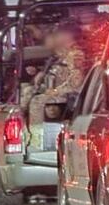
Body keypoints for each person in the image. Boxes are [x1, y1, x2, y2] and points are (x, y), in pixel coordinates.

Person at [26, 22, 87, 151]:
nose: (56, 37)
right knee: (27, 93)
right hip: (60, 92)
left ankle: (37, 140)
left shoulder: (75, 54)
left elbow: (76, 82)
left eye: (59, 34)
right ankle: (29, 135)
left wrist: (55, 91)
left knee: (37, 102)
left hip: (71, 96)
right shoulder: (61, 54)